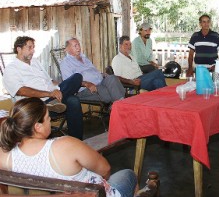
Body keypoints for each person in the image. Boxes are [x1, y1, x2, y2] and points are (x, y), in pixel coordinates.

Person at [0, 97, 145, 197]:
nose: (50, 122)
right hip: (95, 193)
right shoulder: (65, 145)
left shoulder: (5, 155)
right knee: (128, 175)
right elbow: (105, 169)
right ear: (37, 126)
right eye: (48, 119)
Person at [2, 36, 84, 140]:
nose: (33, 50)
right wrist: (49, 94)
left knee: (76, 83)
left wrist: (58, 88)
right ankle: (50, 103)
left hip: (52, 98)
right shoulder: (11, 69)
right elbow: (20, 90)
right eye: (29, 47)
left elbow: (49, 81)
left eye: (33, 47)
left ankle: (76, 141)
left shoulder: (35, 62)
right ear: (19, 49)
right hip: (36, 106)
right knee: (73, 97)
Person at [60, 38, 126, 103]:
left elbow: (93, 71)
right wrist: (86, 83)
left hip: (100, 83)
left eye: (78, 45)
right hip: (86, 89)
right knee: (111, 91)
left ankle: (118, 106)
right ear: (67, 49)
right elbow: (69, 83)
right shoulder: (65, 63)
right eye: (75, 46)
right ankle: (120, 106)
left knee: (112, 78)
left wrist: (102, 74)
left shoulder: (84, 58)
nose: (78, 48)